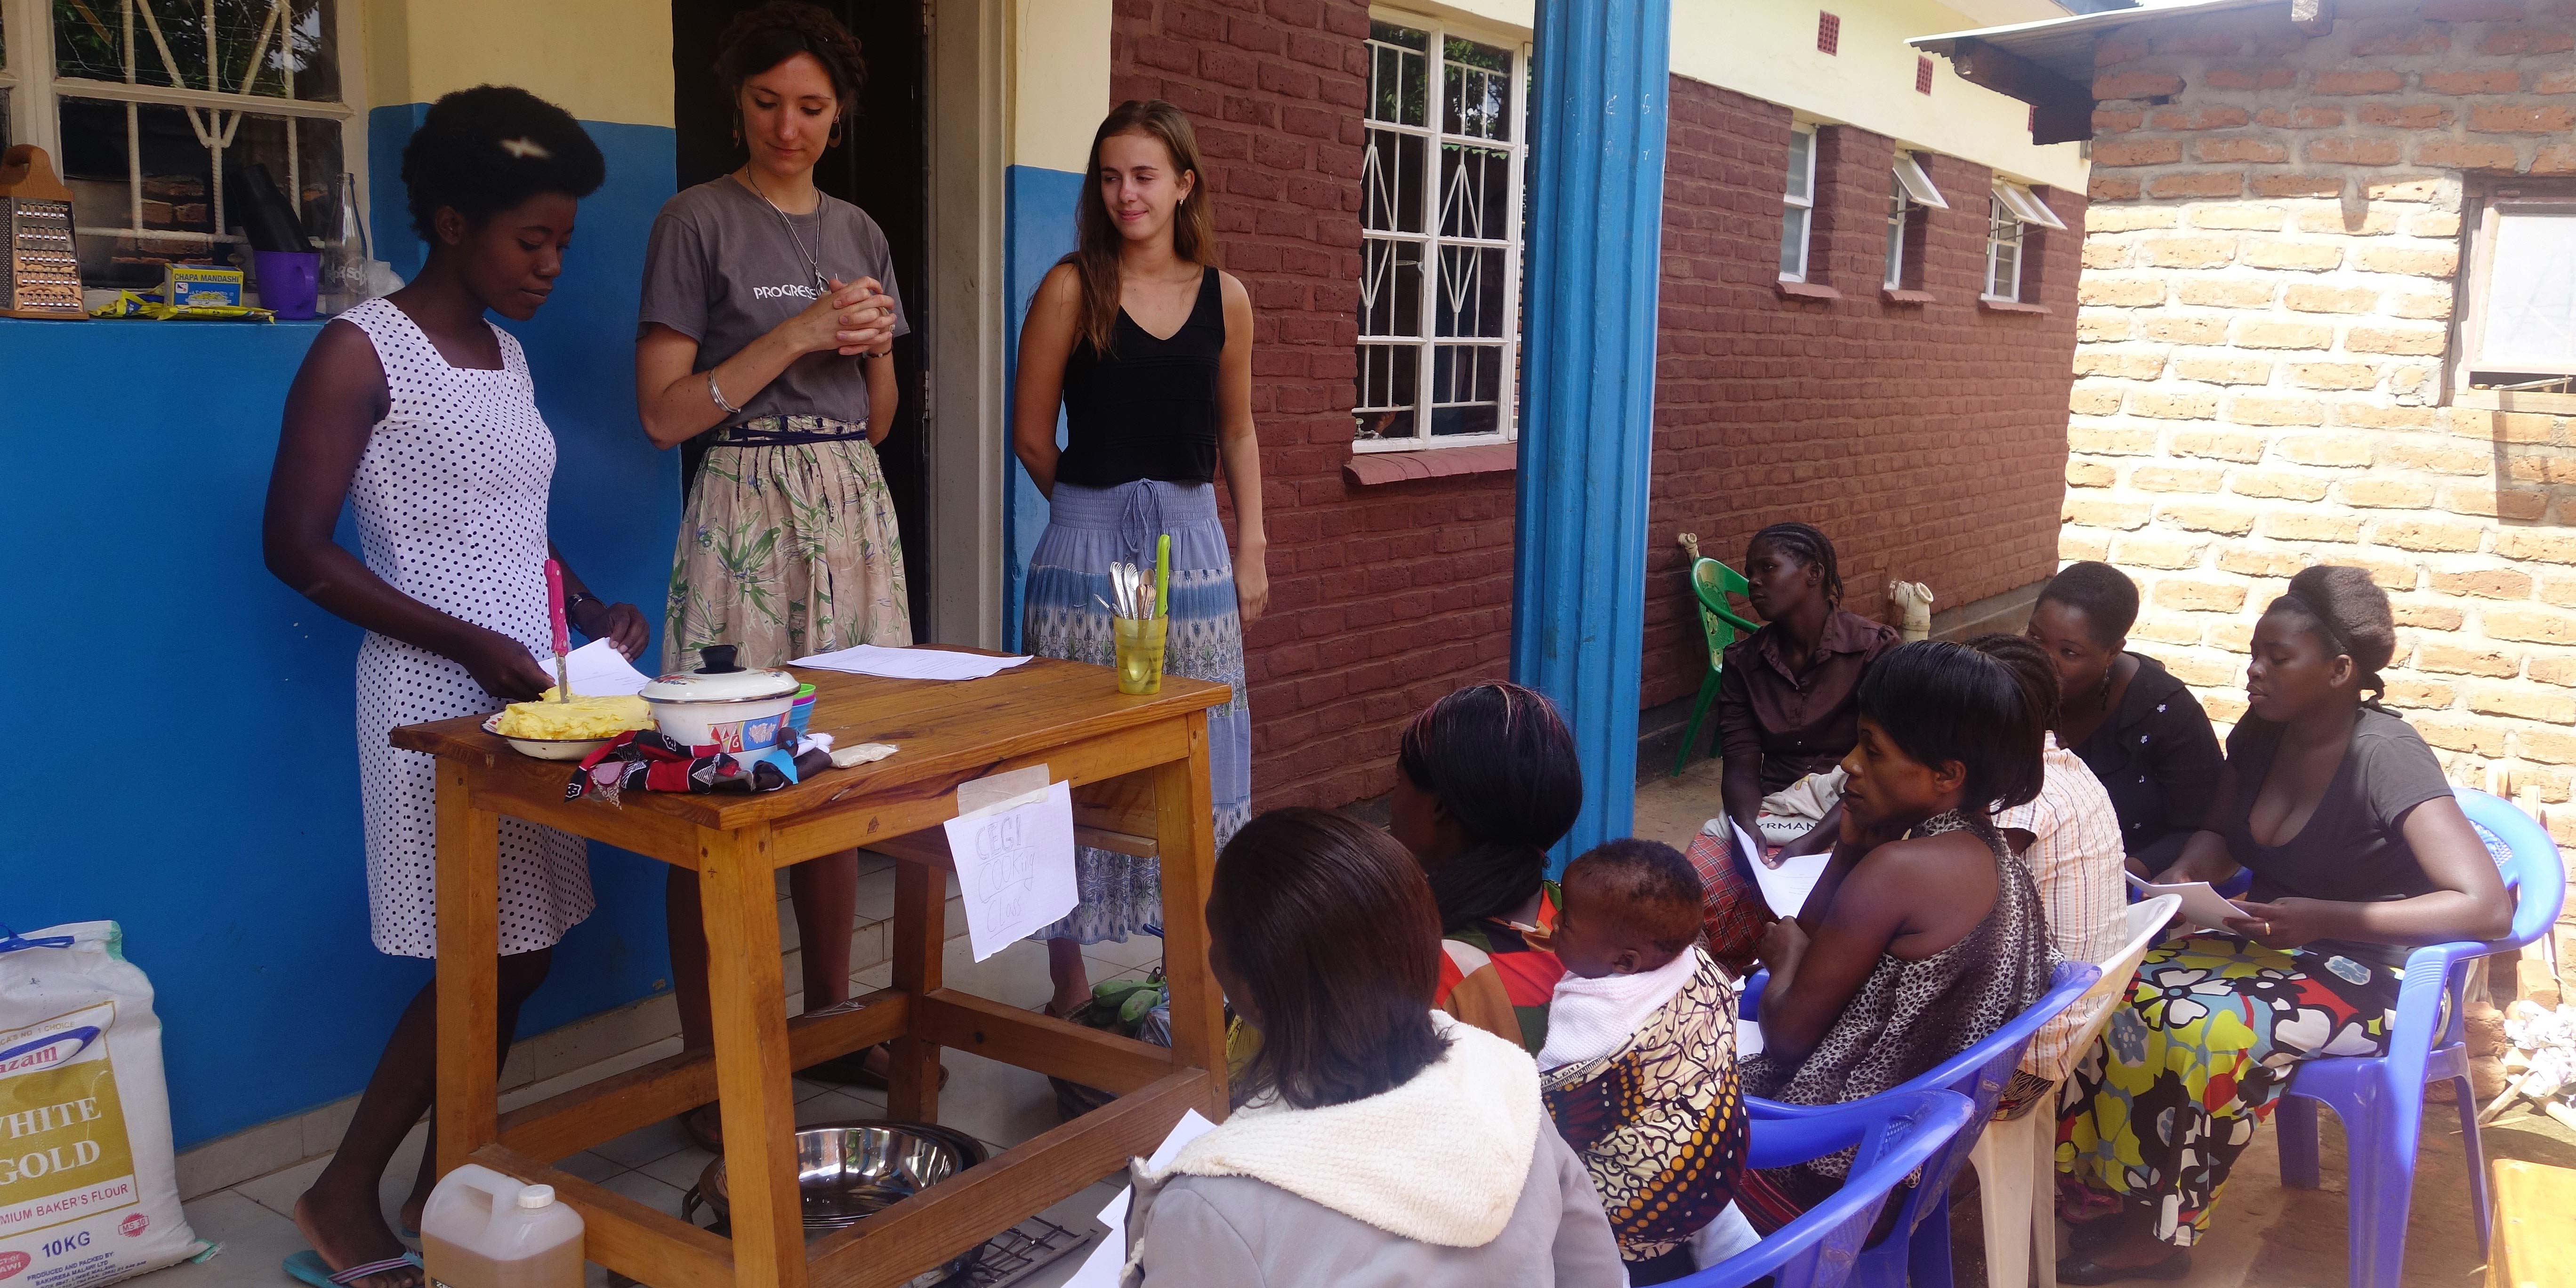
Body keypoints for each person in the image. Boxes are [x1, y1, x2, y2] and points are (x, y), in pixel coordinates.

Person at [261, 86, 642, 1288]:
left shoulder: (508, 353)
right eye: (531, 239)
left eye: (563, 243)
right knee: (477, 951)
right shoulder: (360, 349)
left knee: (520, 951)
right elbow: (298, 548)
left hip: (528, 697)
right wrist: (468, 640)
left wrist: (585, 607)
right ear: (450, 217)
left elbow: (510, 522)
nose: (549, 264)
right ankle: (340, 1188)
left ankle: (442, 1183)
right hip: (431, 704)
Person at [2054, 566, 2512, 1284]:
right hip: (2277, 949)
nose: (2254, 672)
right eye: (2254, 654)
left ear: (2338, 670)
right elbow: (2220, 833)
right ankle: (2099, 1193)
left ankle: (2160, 1230)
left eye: (2277, 658)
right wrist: (2180, 882)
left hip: (2385, 974)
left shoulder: (2384, 756)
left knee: (2202, 1024)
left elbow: (2486, 906)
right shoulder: (2261, 736)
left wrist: (2322, 918)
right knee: (2104, 985)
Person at [632, 0, 908, 1130]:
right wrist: (791, 340)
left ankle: (830, 1021)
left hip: (849, 498)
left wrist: (875, 348)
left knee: (831, 761)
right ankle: (707, 1069)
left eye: (808, 108)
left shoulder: (859, 230)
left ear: (836, 116)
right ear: (734, 103)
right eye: (764, 104)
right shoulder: (694, 221)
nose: (785, 127)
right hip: (741, 497)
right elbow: (659, 414)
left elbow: (881, 417)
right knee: (714, 770)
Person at [1121, 808, 1624, 1286]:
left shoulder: (1212, 1208)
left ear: (1249, 989)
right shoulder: (1503, 1080)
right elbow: (1599, 1274)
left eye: (1216, 936)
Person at [1011, 100, 1267, 1019]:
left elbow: (1236, 429)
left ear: (1184, 183)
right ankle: (1067, 979)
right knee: (1071, 761)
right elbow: (1032, 435)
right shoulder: (1073, 288)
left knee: (1197, 750)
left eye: (1146, 175)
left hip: (1194, 547)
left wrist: (1252, 547)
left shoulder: (1225, 297)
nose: (1127, 193)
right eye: (1111, 176)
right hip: (1089, 552)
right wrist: (1094, 522)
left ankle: (1189, 973)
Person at [1736, 641, 2055, 1229]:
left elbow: (1785, 1037)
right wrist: (1851, 848)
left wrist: (1785, 959)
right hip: (1903, 1164)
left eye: (1874, 751)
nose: (1850, 765)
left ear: (1946, 777)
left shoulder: (1900, 873)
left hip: (1821, 1171)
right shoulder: (1996, 858)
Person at [1536, 839, 1756, 1285]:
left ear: (1623, 961)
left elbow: (1549, 1100)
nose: (1554, 921)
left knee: (1567, 1200)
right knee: (1689, 1170)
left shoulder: (1592, 1019)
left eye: (1568, 920)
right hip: (1719, 1149)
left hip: (1640, 1202)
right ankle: (1732, 1247)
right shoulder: (1698, 965)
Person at [1969, 633, 2129, 1118]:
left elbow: (1955, 930)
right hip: (2068, 1031)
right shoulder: (2064, 764)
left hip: (2019, 1067)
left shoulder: (2018, 801)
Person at [1389, 682, 1585, 1053]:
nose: (1393, 800)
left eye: (1399, 781)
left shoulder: (1422, 976)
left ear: (1439, 808)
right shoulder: (1585, 919)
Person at [1716, 523, 1900, 861]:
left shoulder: (1873, 649)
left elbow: (1885, 766)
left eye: (1768, 568)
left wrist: (1812, 842)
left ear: (1814, 573)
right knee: (1703, 880)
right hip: (1776, 806)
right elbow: (1740, 764)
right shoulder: (1742, 662)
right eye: (1750, 573)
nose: (1753, 582)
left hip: (1854, 804)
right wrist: (1745, 828)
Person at [2026, 561, 2224, 873]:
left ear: (2113, 651)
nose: (2042, 661)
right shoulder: (2009, 681)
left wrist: (2117, 877)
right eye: (2036, 639)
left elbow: (2203, 827)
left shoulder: (2165, 712)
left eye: (2070, 653)